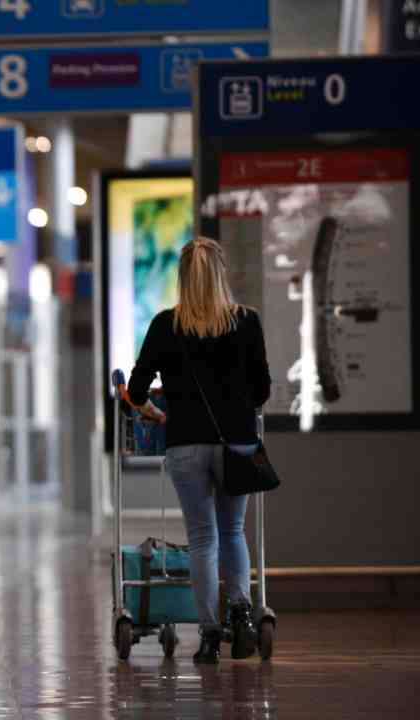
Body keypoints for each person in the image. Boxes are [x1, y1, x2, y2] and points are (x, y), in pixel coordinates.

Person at [127, 238, 271, 664]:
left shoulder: (164, 325)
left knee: (203, 539)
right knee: (232, 532)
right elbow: (261, 390)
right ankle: (241, 613)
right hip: (238, 444)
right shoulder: (247, 322)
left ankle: (209, 636)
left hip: (186, 444)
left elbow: (136, 389)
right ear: (221, 274)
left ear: (183, 277)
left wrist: (154, 408)